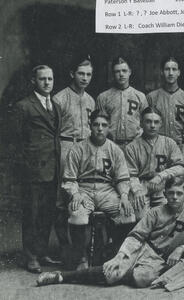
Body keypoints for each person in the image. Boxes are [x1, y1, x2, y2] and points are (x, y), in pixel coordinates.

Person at [36, 176, 184, 288]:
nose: (175, 197)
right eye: (171, 193)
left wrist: (181, 249)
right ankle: (62, 276)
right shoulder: (156, 211)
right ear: (165, 194)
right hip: (144, 249)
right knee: (112, 273)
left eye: (179, 193)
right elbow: (136, 236)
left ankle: (123, 272)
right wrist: (120, 257)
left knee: (142, 279)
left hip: (162, 258)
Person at [62, 109, 135, 270]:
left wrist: (123, 195)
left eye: (104, 125)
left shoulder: (115, 149)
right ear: (90, 125)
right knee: (77, 214)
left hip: (107, 190)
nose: (100, 128)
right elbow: (69, 177)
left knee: (127, 214)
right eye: (96, 124)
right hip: (84, 190)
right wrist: (75, 193)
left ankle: (116, 255)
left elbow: (122, 177)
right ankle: (81, 257)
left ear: (109, 127)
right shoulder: (78, 148)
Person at [13, 65, 62, 273]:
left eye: (50, 79)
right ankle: (30, 256)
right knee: (31, 214)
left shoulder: (55, 106)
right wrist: (26, 166)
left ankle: (42, 252)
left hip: (53, 168)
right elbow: (15, 141)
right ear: (34, 81)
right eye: (43, 79)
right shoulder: (23, 106)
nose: (47, 83)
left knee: (46, 213)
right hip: (33, 171)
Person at [53, 54, 95, 253]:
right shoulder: (59, 98)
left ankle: (82, 249)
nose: (85, 78)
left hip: (85, 150)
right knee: (63, 199)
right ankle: (64, 247)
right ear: (72, 74)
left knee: (83, 195)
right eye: (81, 73)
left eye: (88, 74)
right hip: (66, 146)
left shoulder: (91, 100)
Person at [124, 106, 184, 220]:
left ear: (161, 123)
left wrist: (161, 175)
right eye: (148, 121)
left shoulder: (169, 143)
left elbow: (181, 167)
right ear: (141, 123)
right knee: (141, 217)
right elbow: (130, 175)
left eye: (156, 122)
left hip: (163, 185)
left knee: (167, 216)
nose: (152, 125)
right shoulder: (132, 147)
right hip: (141, 185)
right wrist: (137, 191)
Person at [96, 56, 148, 150]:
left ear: (130, 72)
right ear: (113, 73)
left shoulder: (140, 96)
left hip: (135, 145)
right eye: (117, 71)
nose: (121, 74)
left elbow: (146, 122)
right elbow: (98, 124)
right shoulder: (103, 97)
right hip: (110, 145)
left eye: (124, 71)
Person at [146, 56, 184, 146]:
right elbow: (144, 124)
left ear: (179, 72)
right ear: (162, 72)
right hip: (157, 146)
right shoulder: (151, 97)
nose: (170, 73)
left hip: (181, 146)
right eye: (167, 69)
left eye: (174, 69)